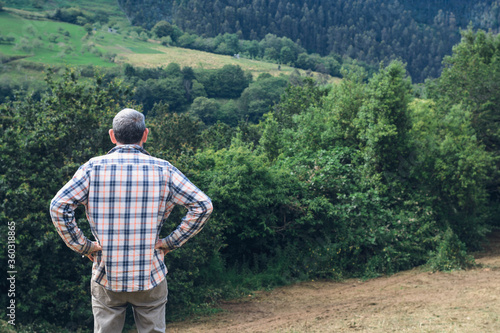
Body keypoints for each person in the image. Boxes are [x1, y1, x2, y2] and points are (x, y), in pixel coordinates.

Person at [50, 108, 213, 333]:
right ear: (145, 135)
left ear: (112, 135)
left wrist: (83, 245)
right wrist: (170, 242)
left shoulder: (92, 169)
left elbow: (58, 206)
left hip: (106, 272)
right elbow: (203, 205)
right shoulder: (164, 169)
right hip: (151, 272)